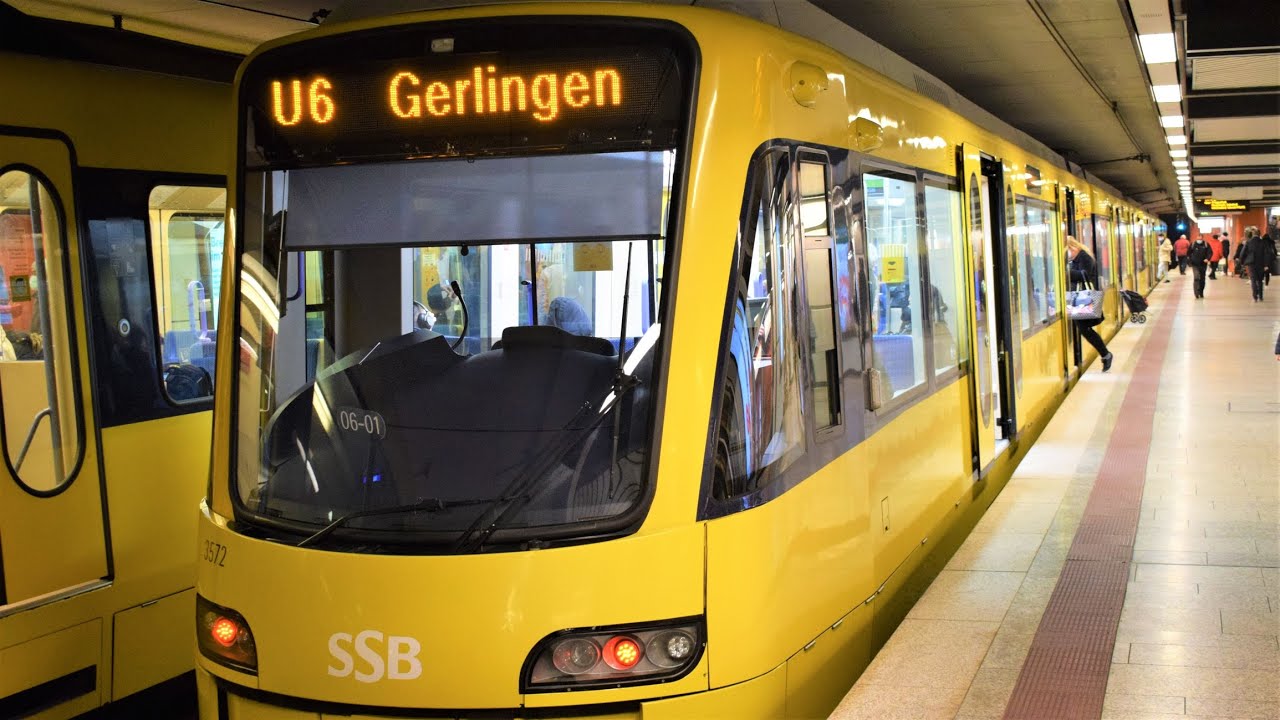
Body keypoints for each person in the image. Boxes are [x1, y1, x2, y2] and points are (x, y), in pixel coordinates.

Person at [1066, 236, 1113, 372]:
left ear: (1072, 247)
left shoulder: (1085, 257)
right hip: (1077, 299)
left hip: (1084, 299)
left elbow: (1084, 275)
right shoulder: (1075, 259)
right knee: (1083, 329)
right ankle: (1105, 355)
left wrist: (1065, 273)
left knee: (1085, 330)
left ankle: (1106, 354)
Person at [1241, 226, 1276, 301]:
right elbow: (1267, 254)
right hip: (1261, 264)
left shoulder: (1248, 242)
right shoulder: (1263, 242)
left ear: (1252, 234)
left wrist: (1242, 262)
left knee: (1253, 279)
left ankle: (1255, 296)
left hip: (1251, 263)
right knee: (1260, 280)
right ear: (1259, 234)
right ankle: (1261, 296)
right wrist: (1266, 265)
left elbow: (1242, 253)